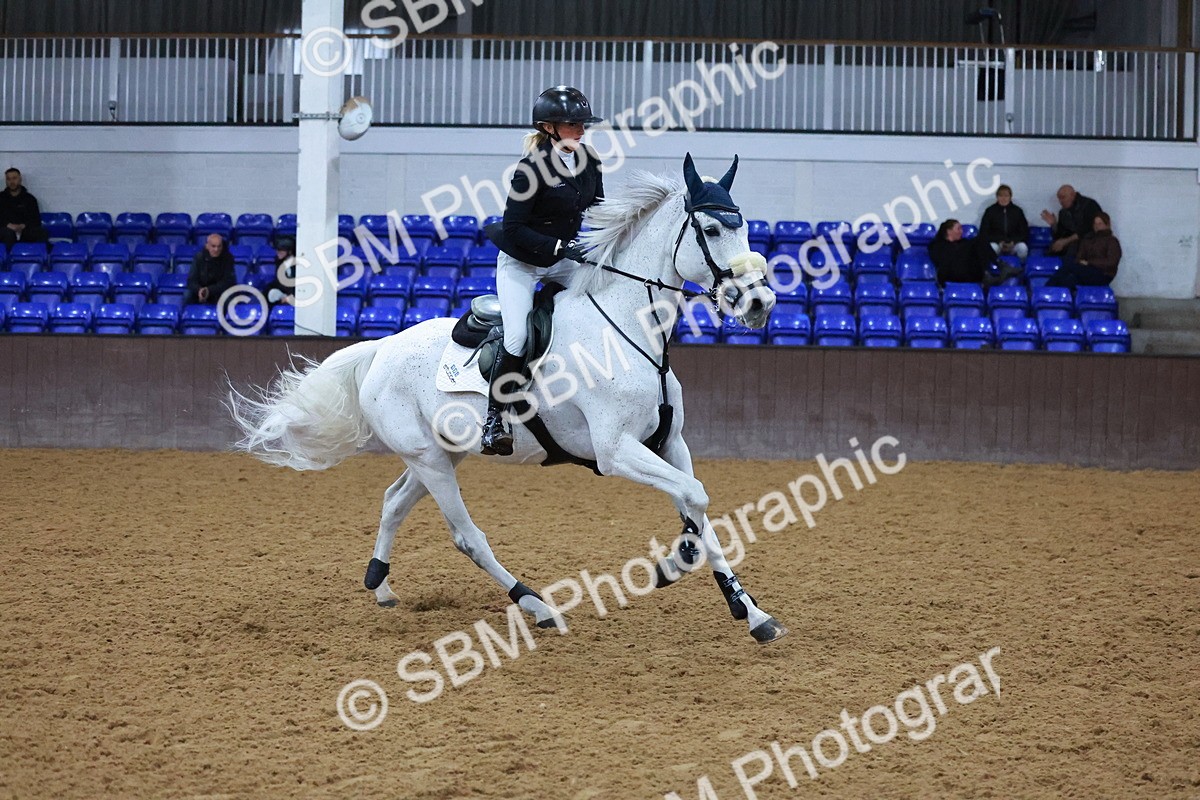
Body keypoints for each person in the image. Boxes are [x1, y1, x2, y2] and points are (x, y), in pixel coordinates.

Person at [479, 85, 605, 456]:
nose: (581, 129)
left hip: (562, 261)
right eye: (572, 123)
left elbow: (597, 209)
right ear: (549, 127)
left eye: (583, 123)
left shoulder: (589, 161)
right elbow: (514, 227)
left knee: (606, 294)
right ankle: (494, 419)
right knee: (517, 336)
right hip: (522, 262)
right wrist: (558, 247)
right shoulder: (529, 169)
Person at [928, 219, 1019, 287]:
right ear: (949, 231)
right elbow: (943, 261)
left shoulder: (964, 242)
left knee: (979, 244)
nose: (961, 231)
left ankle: (996, 268)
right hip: (950, 274)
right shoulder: (937, 245)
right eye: (958, 229)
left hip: (968, 273)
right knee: (979, 240)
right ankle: (997, 268)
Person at [1047, 212, 1121, 290]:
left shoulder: (1112, 241)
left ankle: (1046, 289)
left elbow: (1111, 262)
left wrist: (1089, 262)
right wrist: (1081, 262)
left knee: (1069, 265)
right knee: (1069, 281)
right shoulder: (1088, 239)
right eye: (1095, 223)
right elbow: (1080, 257)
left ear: (1107, 225)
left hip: (1104, 274)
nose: (1097, 226)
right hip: (1087, 271)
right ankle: (1052, 296)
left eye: (1100, 223)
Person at [1040, 185, 1102, 266]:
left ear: (1073, 195)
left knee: (1073, 249)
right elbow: (1060, 235)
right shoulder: (1063, 213)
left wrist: (1066, 241)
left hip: (1089, 244)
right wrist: (1054, 224)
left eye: (1063, 197)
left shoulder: (1089, 205)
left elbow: (1088, 229)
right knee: (1053, 248)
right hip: (1070, 245)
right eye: (1059, 198)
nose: (1060, 201)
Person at [978, 184, 1030, 263]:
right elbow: (983, 232)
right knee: (992, 247)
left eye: (1006, 196)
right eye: (1001, 196)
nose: (1003, 198)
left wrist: (1013, 241)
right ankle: (992, 270)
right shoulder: (990, 211)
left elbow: (1024, 232)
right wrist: (999, 241)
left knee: (1022, 248)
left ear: (1010, 197)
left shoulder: (1017, 211)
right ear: (997, 197)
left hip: (1014, 244)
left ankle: (1021, 270)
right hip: (997, 243)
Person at [0, 168, 50, 248]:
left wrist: (23, 225)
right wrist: (7, 225)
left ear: (20, 179)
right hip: (5, 230)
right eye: (8, 179)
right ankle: (6, 258)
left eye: (14, 178)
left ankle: (38, 258)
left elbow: (35, 220)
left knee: (42, 233)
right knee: (7, 233)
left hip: (25, 231)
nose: (11, 182)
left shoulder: (30, 199)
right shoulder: (1, 198)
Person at [185, 233, 236, 305]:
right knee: (187, 295)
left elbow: (227, 282)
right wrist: (200, 290)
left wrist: (209, 290)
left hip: (219, 291)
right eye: (213, 246)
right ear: (207, 246)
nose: (216, 249)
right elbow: (191, 280)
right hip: (200, 290)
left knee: (227, 300)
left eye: (219, 246)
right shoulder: (199, 258)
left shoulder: (228, 258)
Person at [265, 236, 297, 307]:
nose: (278, 253)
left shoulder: (297, 265)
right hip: (284, 294)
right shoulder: (279, 264)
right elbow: (278, 283)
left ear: (289, 251)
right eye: (277, 250)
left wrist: (289, 297)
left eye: (281, 250)